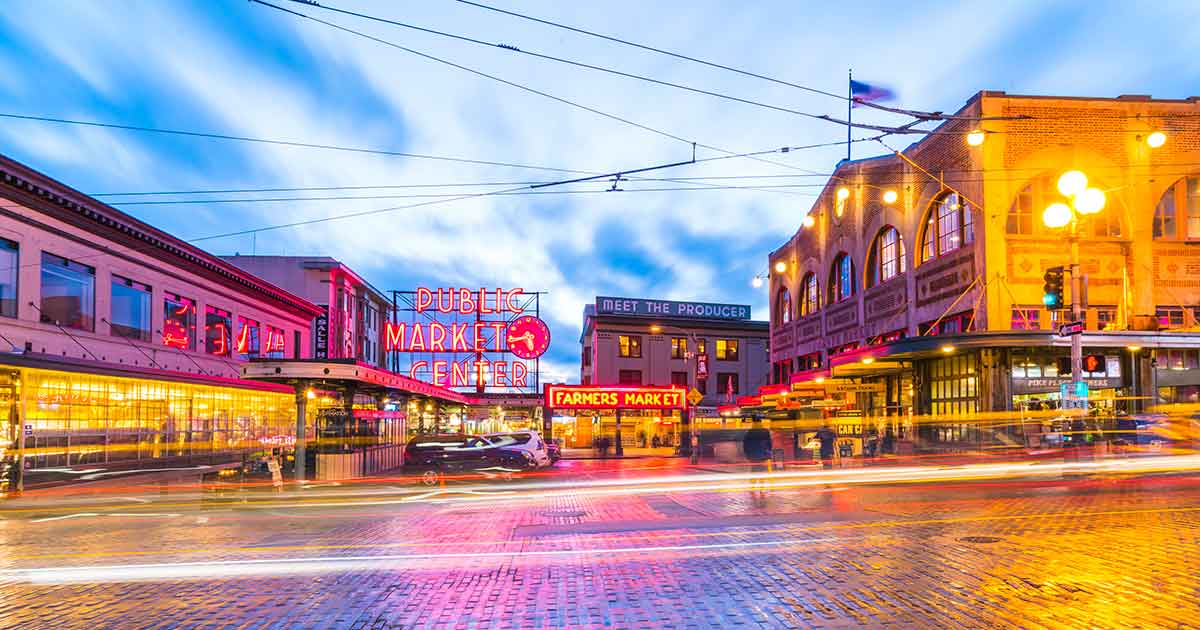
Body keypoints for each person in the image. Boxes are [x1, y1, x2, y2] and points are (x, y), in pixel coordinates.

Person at [743, 419, 773, 494]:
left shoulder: (749, 432)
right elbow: (769, 444)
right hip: (763, 454)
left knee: (754, 471)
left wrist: (747, 454)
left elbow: (745, 444)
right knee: (762, 471)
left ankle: (752, 488)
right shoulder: (765, 431)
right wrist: (768, 454)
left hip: (753, 455)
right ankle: (761, 489)